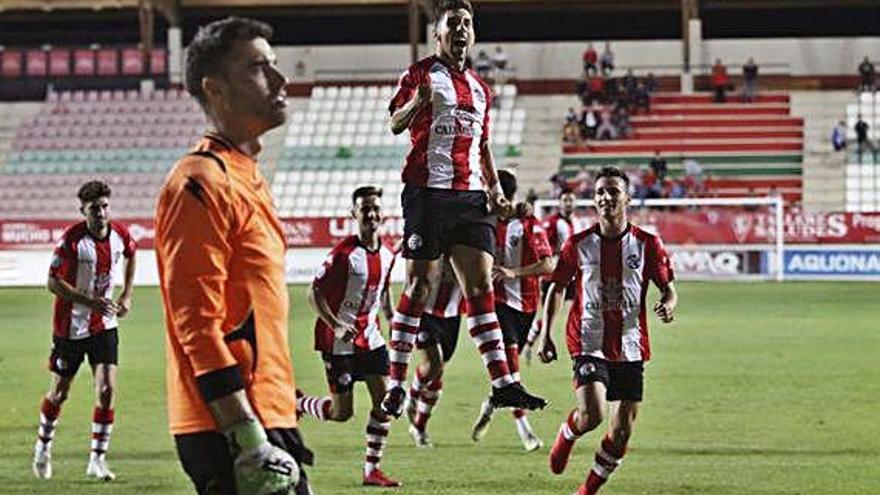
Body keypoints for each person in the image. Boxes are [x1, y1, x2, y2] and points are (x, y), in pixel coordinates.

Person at [154, 16, 312, 495]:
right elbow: (196, 323)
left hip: (266, 413)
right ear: (215, 89)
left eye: (276, 66)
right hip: (232, 428)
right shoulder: (200, 182)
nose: (281, 80)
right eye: (259, 68)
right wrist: (247, 439)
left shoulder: (246, 176)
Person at [383, 0, 546, 418]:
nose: (461, 30)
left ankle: (504, 383)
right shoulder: (420, 74)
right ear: (438, 34)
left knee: (480, 288)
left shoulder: (480, 88)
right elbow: (395, 123)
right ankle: (396, 383)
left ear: (473, 35)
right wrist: (417, 103)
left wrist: (494, 189)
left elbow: (484, 146)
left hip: (471, 198)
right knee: (419, 289)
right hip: (428, 194)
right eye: (453, 23)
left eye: (467, 24)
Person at [537, 166, 678, 495]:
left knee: (621, 433)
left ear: (627, 198)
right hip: (588, 340)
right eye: (600, 191)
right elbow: (556, 289)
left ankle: (587, 490)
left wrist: (669, 304)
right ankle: (568, 434)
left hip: (630, 344)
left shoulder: (648, 244)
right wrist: (546, 334)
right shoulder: (579, 244)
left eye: (613, 191)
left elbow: (669, 289)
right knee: (593, 414)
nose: (605, 197)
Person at [295, 186, 400, 487]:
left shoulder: (389, 252)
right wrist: (336, 324)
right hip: (338, 342)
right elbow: (313, 292)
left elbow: (384, 290)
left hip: (372, 338)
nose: (371, 214)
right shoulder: (343, 254)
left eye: (375, 208)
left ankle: (371, 471)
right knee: (342, 413)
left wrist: (392, 319)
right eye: (365, 209)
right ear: (353, 214)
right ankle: (299, 403)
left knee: (385, 405)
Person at [32, 180, 136, 482]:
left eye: (105, 206)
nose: (101, 213)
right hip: (70, 329)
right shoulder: (71, 241)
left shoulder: (120, 234)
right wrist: (90, 301)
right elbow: (52, 282)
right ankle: (43, 447)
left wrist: (127, 295)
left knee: (106, 390)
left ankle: (97, 460)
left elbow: (132, 254)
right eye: (94, 208)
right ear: (83, 211)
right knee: (59, 393)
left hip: (105, 326)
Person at [471, 170, 554, 452]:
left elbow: (548, 265)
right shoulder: (484, 220)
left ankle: (493, 402)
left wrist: (512, 272)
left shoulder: (527, 222)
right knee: (512, 368)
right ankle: (526, 432)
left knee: (507, 371)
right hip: (498, 304)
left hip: (526, 304)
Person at [405, 255, 465, 448]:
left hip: (452, 316)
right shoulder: (432, 242)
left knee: (436, 373)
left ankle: (419, 427)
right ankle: (412, 395)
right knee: (434, 363)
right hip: (426, 312)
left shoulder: (468, 245)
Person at [521, 188, 577, 361]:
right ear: (559, 203)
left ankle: (535, 341)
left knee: (574, 310)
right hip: (554, 277)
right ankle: (531, 341)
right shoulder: (552, 223)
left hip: (572, 275)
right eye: (565, 200)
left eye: (571, 200)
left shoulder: (574, 222)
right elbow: (542, 247)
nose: (568, 203)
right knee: (551, 313)